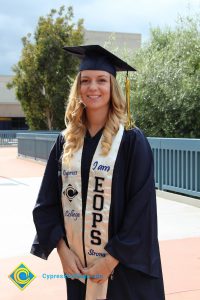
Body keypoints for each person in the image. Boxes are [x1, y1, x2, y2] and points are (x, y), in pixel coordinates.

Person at [31, 45, 165, 300]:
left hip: (124, 269)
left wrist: (108, 262)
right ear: (78, 88)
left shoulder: (131, 142)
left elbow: (141, 211)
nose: (93, 87)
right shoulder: (66, 142)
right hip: (79, 268)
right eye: (86, 81)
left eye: (102, 80)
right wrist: (63, 251)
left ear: (113, 87)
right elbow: (46, 203)